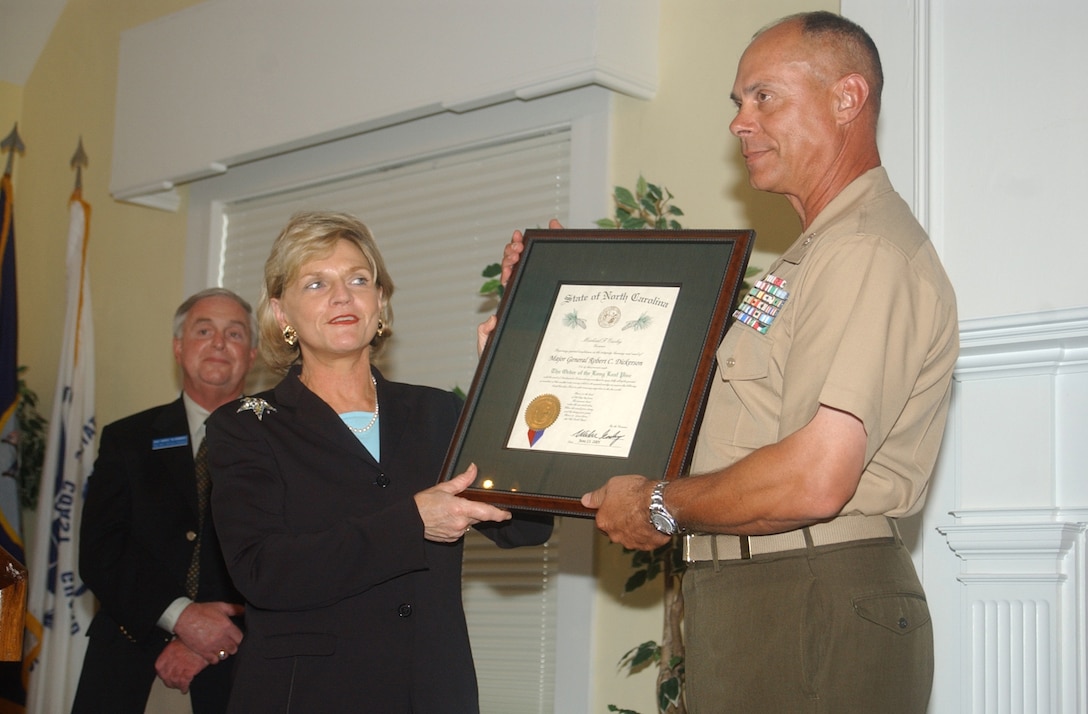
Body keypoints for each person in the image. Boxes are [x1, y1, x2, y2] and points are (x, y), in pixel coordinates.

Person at [497, 11, 958, 714]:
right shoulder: (807, 259)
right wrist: (549, 303)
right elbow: (709, 415)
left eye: (764, 96)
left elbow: (815, 477)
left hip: (807, 589)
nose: (740, 122)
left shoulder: (863, 250)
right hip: (762, 591)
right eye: (738, 103)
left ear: (847, 99)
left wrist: (658, 504)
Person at [205, 211, 553, 714]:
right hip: (308, 694)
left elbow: (526, 527)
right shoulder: (245, 426)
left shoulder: (438, 412)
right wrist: (414, 522)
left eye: (358, 279)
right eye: (317, 283)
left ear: (380, 302)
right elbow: (265, 571)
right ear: (282, 314)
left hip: (432, 691)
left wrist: (505, 386)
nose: (342, 295)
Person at [74, 288, 257, 714]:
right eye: (204, 330)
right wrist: (181, 619)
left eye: (234, 333)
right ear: (178, 347)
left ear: (252, 355)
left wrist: (211, 641)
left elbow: (295, 562)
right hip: (128, 661)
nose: (218, 343)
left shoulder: (282, 444)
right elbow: (101, 551)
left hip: (240, 672)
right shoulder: (127, 439)